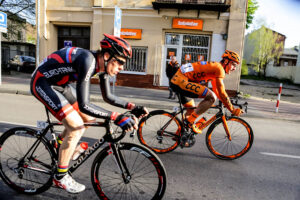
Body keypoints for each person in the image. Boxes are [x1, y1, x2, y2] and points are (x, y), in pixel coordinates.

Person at [30, 34, 148, 193]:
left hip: (60, 85)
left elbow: (108, 97)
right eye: (119, 62)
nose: (121, 67)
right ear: (107, 56)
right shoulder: (88, 61)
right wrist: (116, 117)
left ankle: (58, 143)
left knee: (87, 119)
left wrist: (132, 106)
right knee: (76, 127)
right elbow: (85, 104)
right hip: (42, 82)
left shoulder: (102, 66)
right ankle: (60, 177)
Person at [170, 50, 243, 134]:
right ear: (226, 61)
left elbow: (218, 91)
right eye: (233, 64)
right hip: (181, 81)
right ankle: (189, 121)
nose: (234, 68)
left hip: (179, 80)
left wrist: (227, 104)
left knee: (191, 111)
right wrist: (232, 109)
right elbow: (222, 93)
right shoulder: (219, 69)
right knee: (212, 97)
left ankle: (179, 135)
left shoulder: (215, 69)